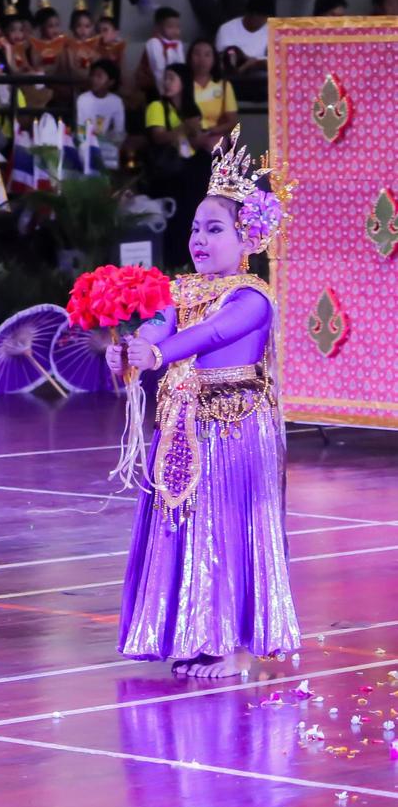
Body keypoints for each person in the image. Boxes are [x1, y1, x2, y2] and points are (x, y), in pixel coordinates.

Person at [110, 130, 299, 678]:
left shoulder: (251, 297)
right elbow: (159, 322)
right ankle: (190, 633)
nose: (199, 238)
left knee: (225, 527)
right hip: (183, 423)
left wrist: (159, 352)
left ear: (248, 238)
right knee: (184, 524)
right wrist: (132, 348)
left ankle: (231, 642)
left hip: (235, 427)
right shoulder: (180, 289)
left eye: (215, 229)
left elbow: (212, 336)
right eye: (195, 228)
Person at [143, 62, 205, 247]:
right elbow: (158, 137)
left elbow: (194, 143)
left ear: (184, 82)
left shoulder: (192, 110)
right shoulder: (157, 106)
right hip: (167, 172)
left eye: (171, 78)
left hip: (189, 170)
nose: (166, 82)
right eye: (165, 78)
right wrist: (185, 127)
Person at [214, 0, 271, 101]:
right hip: (234, 81)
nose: (260, 20)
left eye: (264, 16)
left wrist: (256, 63)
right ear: (249, 13)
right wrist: (246, 63)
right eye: (256, 15)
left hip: (263, 81)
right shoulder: (227, 29)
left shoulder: (272, 30)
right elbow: (225, 60)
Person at [187, 39, 237, 151]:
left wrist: (211, 131)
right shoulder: (182, 84)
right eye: (197, 54)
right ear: (189, 58)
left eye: (207, 55)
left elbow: (232, 122)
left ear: (214, 59)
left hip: (213, 134)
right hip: (187, 135)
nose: (202, 59)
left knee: (215, 146)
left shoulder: (224, 85)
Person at [75, 59, 125, 166]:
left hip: (107, 144)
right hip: (86, 144)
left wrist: (108, 141)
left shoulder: (116, 101)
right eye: (93, 75)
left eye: (99, 76)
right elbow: (81, 130)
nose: (94, 80)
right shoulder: (83, 99)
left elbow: (119, 131)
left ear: (111, 82)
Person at [140, 6, 185, 94]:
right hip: (155, 87)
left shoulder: (178, 44)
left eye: (178, 27)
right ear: (158, 27)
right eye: (170, 26)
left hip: (173, 84)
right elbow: (158, 72)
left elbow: (182, 67)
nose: (176, 30)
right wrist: (165, 94)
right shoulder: (154, 42)